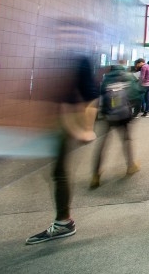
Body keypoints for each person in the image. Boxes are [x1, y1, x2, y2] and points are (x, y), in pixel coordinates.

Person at [26, 21, 100, 245]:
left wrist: (85, 129)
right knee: (56, 172)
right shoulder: (56, 58)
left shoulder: (80, 60)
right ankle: (62, 220)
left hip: (66, 120)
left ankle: (63, 222)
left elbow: (91, 97)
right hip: (55, 120)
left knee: (59, 172)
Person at [90, 65, 140, 189]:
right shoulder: (128, 76)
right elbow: (135, 95)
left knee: (102, 144)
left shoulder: (106, 78)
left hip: (108, 115)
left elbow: (100, 96)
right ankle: (130, 166)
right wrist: (133, 113)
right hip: (123, 115)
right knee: (126, 140)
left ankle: (96, 175)